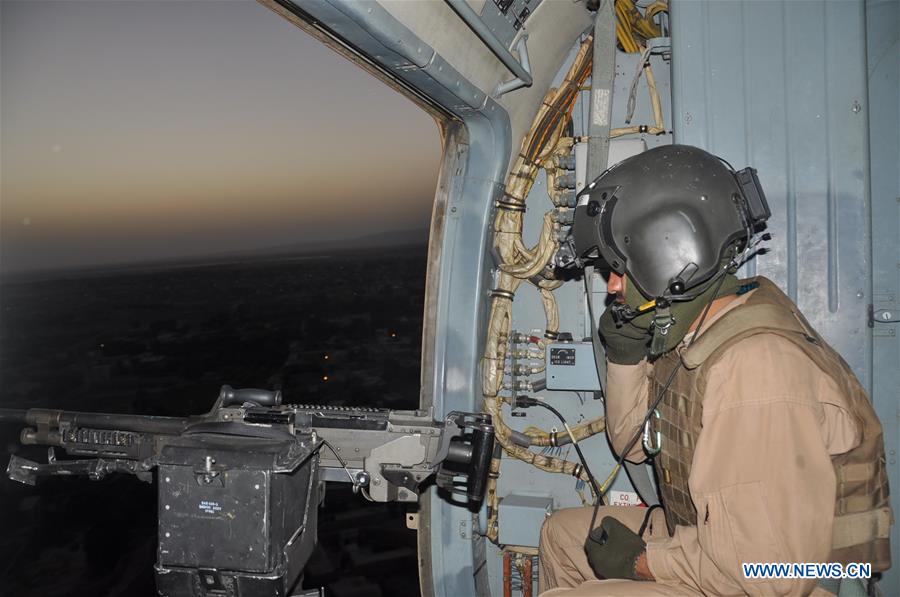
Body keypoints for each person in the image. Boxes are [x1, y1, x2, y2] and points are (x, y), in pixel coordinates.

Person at [538, 145, 892, 596]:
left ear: (666, 255)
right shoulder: (698, 328)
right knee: (562, 537)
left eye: (618, 270)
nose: (611, 287)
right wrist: (626, 355)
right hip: (725, 539)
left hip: (782, 576)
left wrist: (643, 562)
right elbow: (632, 445)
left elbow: (767, 574)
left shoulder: (753, 369)